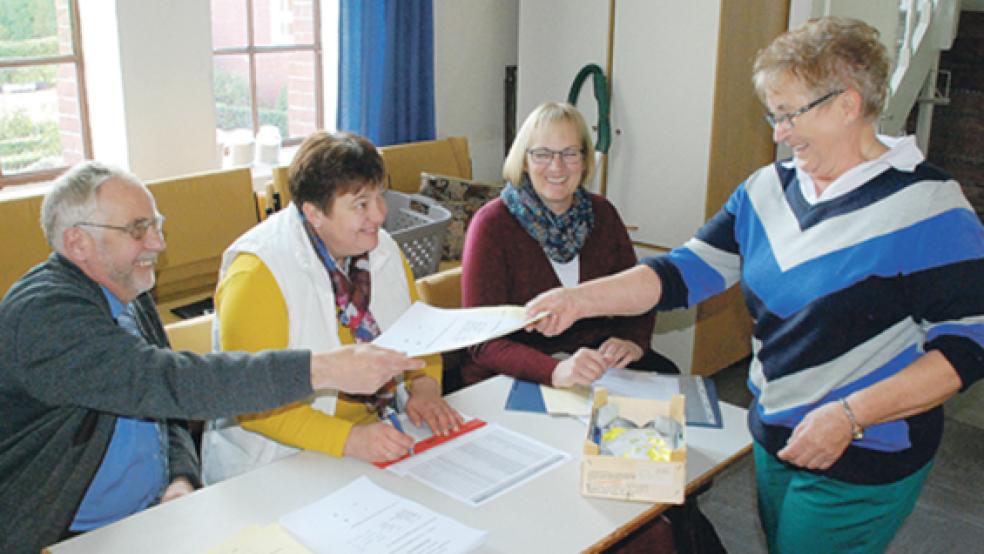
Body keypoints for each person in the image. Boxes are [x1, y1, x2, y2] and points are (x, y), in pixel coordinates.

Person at [527, 17, 984, 553]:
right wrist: (576, 299)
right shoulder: (767, 189)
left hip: (865, 449)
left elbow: (967, 346)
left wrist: (850, 416)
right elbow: (680, 272)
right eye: (775, 115)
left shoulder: (929, 206)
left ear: (848, 104)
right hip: (774, 435)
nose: (778, 133)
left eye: (789, 115)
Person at [0, 161, 422, 554]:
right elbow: (167, 382)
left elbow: (164, 412)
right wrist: (325, 368)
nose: (158, 243)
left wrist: (180, 478)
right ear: (77, 241)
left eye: (156, 225)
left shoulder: (126, 289)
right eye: (138, 229)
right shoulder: (44, 315)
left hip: (153, 517)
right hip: (62, 534)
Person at [202, 131, 463, 483]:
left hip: (373, 440)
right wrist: (350, 440)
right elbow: (254, 403)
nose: (380, 215)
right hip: (279, 462)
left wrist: (425, 388)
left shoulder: (381, 248)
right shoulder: (257, 273)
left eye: (379, 197)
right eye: (361, 204)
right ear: (314, 213)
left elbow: (419, 334)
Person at [460, 101, 677, 388]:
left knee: (669, 380)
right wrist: (554, 370)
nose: (557, 166)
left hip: (592, 362)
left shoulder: (603, 214)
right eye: (542, 154)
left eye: (569, 153)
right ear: (524, 160)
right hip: (513, 371)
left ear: (585, 160)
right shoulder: (492, 224)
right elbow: (482, 342)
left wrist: (632, 340)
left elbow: (636, 290)